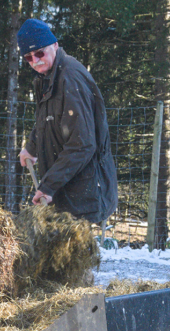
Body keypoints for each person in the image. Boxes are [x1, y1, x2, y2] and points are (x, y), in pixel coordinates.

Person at [17, 18, 117, 224]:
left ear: (55, 45)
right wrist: (32, 148)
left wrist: (48, 186)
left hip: (85, 194)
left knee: (77, 254)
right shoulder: (49, 77)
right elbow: (47, 118)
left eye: (39, 53)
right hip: (66, 191)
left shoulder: (70, 78)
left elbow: (83, 144)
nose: (35, 61)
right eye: (28, 57)